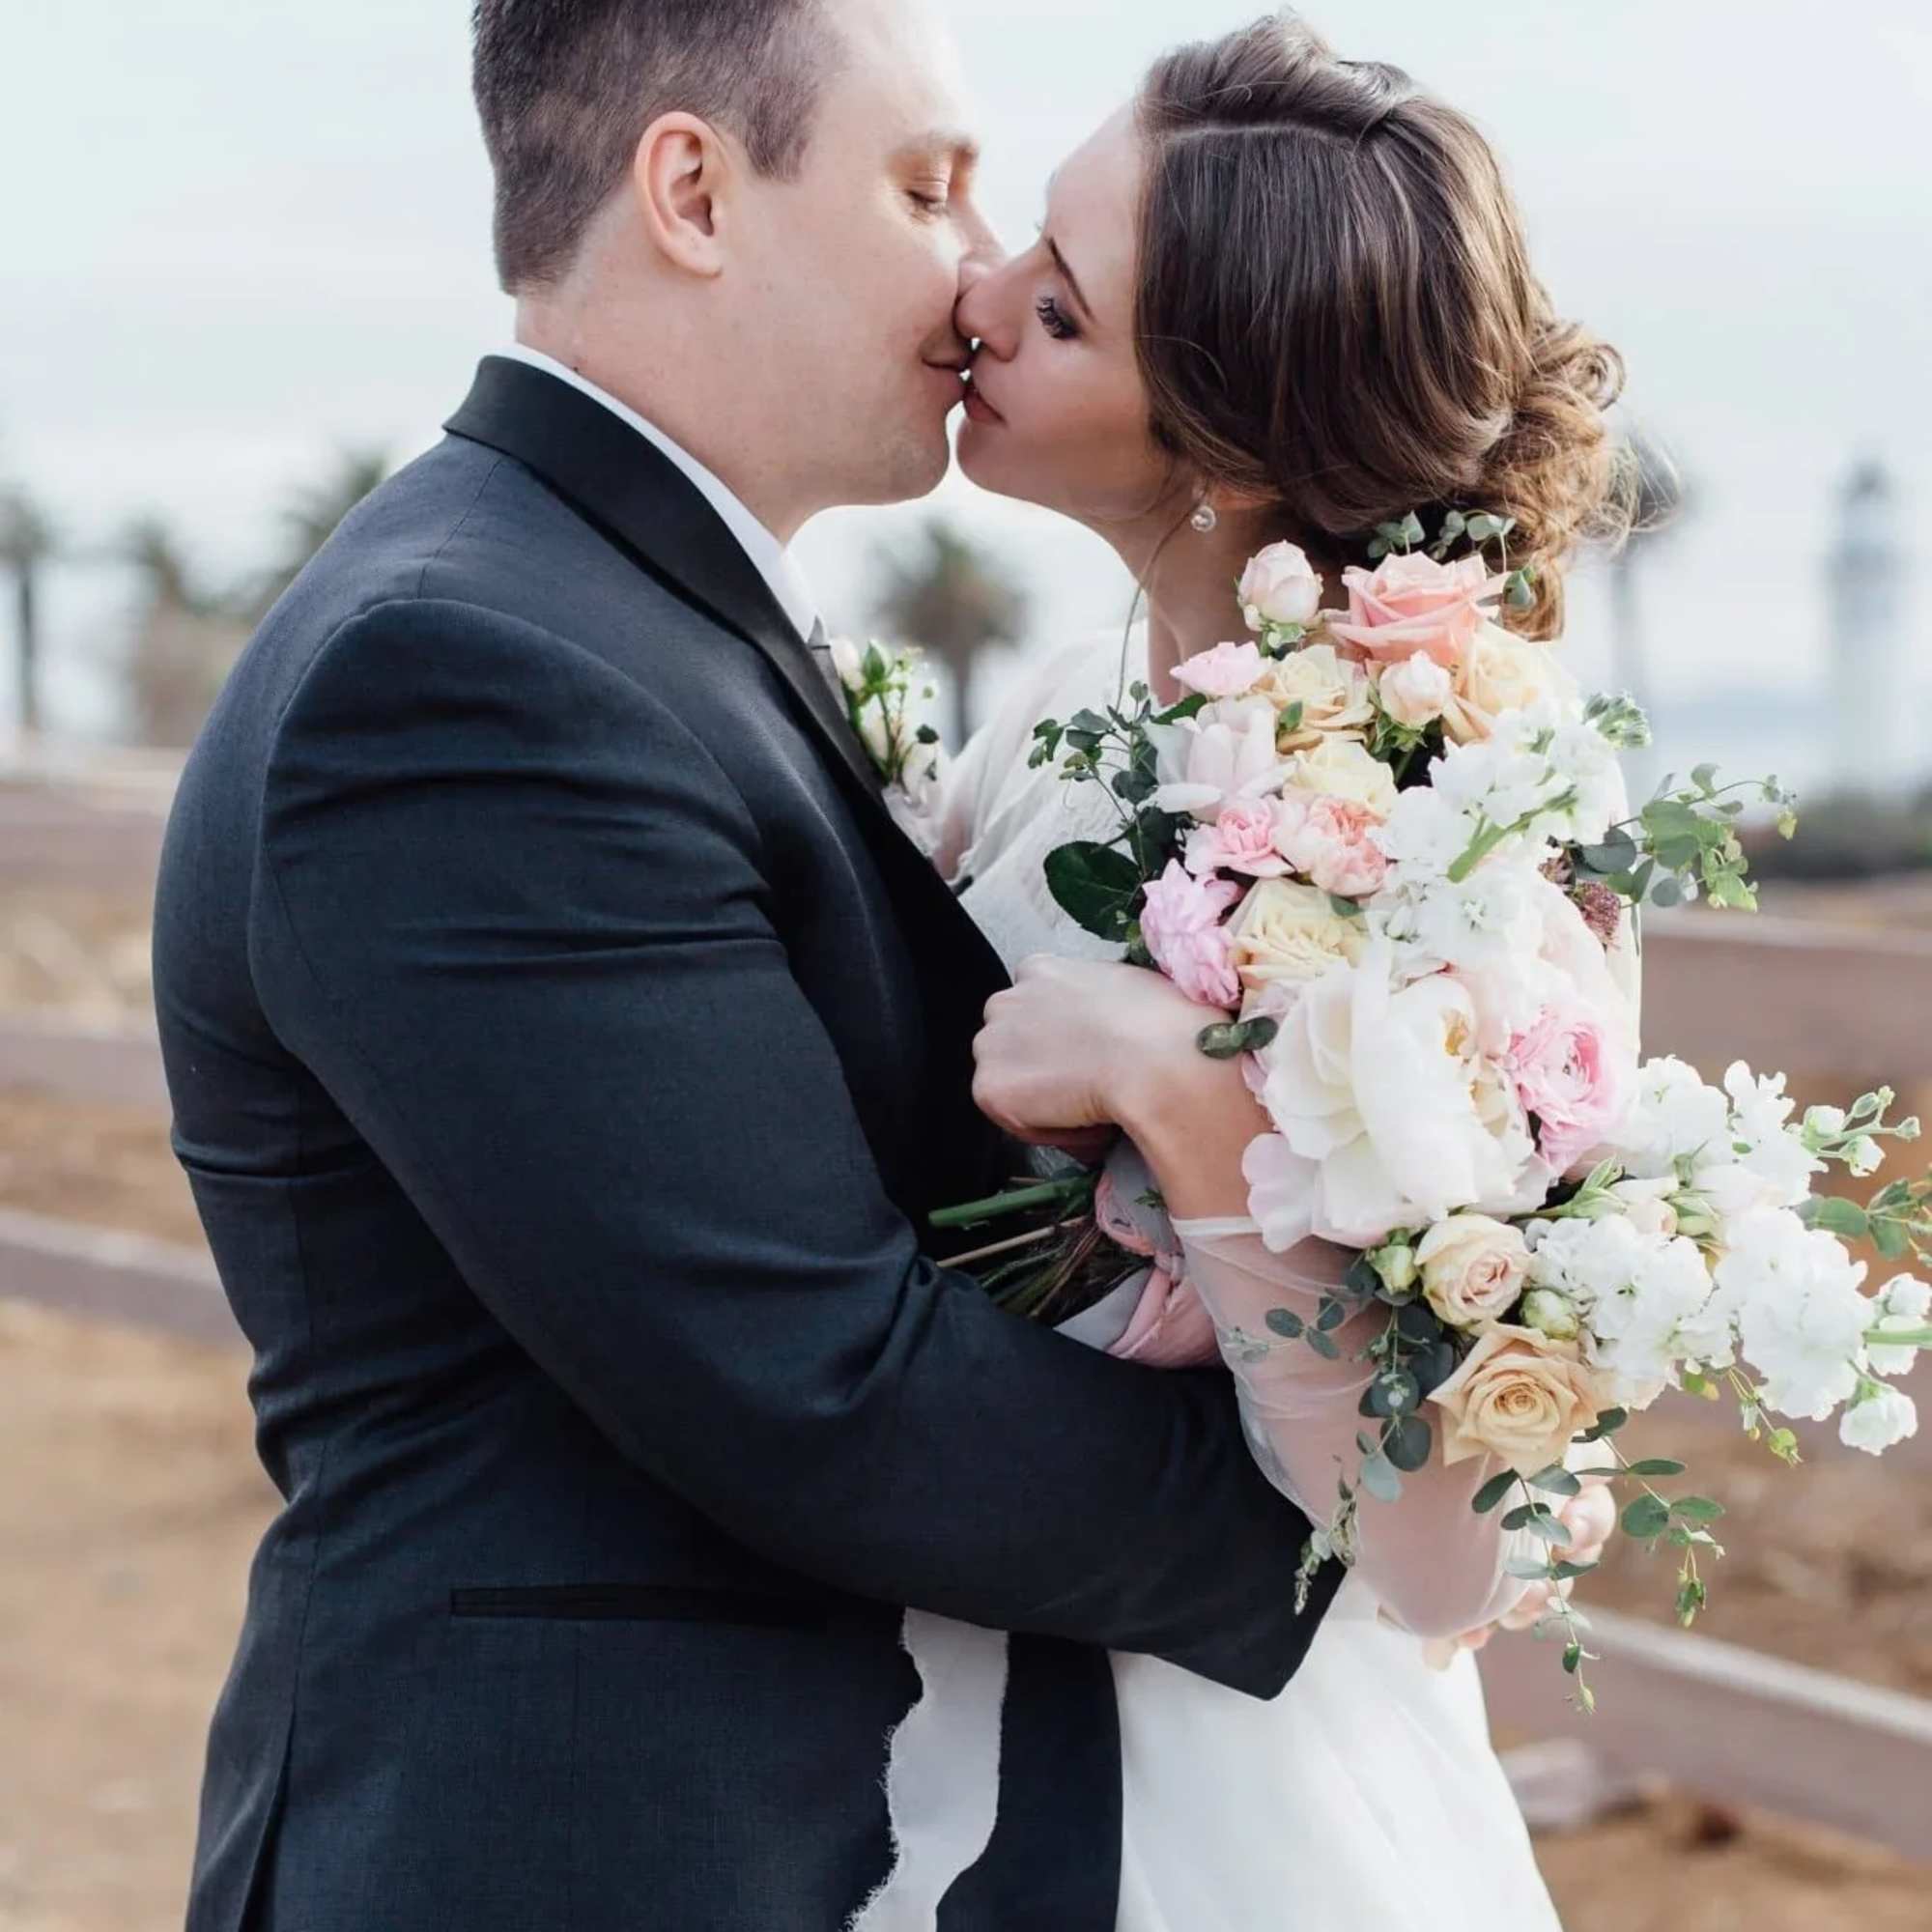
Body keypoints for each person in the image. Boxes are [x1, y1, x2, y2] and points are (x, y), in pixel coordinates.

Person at [153, 3, 1347, 1928]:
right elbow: (815, 1383)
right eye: (923, 186)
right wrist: (1354, 1497)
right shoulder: (469, 673)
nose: (979, 271)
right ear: (693, 191)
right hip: (561, 1847)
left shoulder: (606, 611)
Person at [928, 11, 1638, 1927]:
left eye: (1061, 310)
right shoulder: (1072, 711)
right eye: (1024, 235)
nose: (972, 296)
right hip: (933, 1683)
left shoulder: (1450, 829)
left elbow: (1435, 1556)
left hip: (1219, 1785)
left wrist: (1186, 1090)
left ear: (1226, 452)